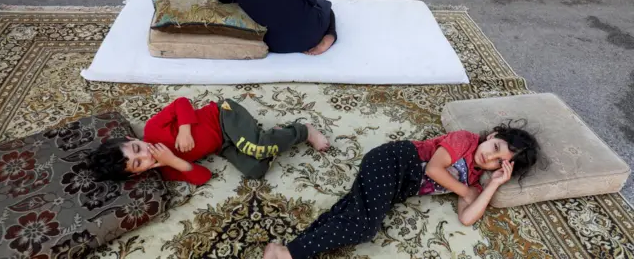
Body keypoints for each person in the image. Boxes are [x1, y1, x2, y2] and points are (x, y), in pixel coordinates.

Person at [263, 121, 541, 259]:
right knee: (365, 228)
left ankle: (282, 250)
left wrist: (491, 185)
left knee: (349, 211)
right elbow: (433, 169)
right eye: (494, 148)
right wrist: (466, 192)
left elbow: (467, 218)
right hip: (394, 160)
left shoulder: (476, 178)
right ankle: (290, 254)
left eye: (498, 163)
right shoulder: (465, 140)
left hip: (397, 185)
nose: (489, 159)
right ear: (491, 137)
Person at [87, 97, 330, 185]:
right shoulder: (166, 171)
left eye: (137, 149)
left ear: (132, 138)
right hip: (223, 144)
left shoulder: (153, 129)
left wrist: (184, 129)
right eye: (139, 163)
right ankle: (275, 135)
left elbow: (181, 102)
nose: (147, 155)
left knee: (256, 147)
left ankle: (303, 130)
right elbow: (204, 176)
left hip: (223, 115)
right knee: (255, 169)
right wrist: (173, 161)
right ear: (136, 175)